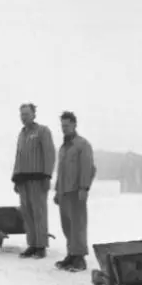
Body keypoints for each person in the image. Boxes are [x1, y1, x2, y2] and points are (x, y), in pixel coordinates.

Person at [53, 111, 96, 272]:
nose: (64, 128)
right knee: (67, 226)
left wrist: (84, 188)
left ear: (74, 125)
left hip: (76, 192)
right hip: (64, 192)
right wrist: (57, 191)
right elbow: (60, 171)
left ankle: (80, 258)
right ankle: (71, 254)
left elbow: (88, 168)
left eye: (67, 125)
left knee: (78, 225)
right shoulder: (63, 148)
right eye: (62, 126)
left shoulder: (82, 145)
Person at [12, 103, 56, 259]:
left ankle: (41, 246)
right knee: (27, 213)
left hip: (37, 179)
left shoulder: (42, 131)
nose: (24, 117)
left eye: (27, 114)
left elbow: (49, 154)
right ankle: (32, 244)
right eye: (22, 114)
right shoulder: (22, 134)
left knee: (39, 213)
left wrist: (47, 176)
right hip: (23, 180)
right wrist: (15, 178)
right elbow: (19, 156)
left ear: (34, 115)